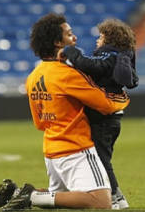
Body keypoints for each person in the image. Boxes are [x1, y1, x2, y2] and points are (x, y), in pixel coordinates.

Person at [0, 13, 130, 211]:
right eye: (69, 35)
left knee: (57, 197)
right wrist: (124, 97)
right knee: (101, 202)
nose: (74, 38)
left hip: (51, 149)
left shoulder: (34, 76)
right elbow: (106, 104)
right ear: (57, 42)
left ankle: (14, 194)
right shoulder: (68, 75)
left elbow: (39, 122)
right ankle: (30, 196)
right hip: (76, 147)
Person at [58, 18, 138, 209]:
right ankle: (110, 194)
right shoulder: (120, 59)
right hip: (110, 119)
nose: (97, 40)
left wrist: (72, 52)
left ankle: (115, 196)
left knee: (101, 159)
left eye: (101, 36)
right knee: (101, 158)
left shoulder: (109, 57)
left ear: (110, 39)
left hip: (103, 119)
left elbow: (91, 65)